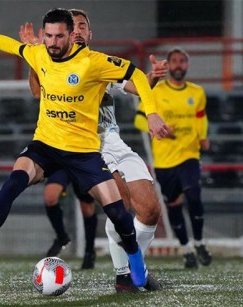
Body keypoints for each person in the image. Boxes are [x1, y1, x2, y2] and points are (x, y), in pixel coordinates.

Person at [0, 8, 170, 289]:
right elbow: (10, 45)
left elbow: (136, 76)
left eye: (58, 36)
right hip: (46, 144)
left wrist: (152, 113)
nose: (52, 42)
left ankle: (134, 262)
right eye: (48, 36)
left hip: (84, 150)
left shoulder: (94, 63)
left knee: (118, 212)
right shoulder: (39, 54)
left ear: (72, 35)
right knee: (13, 183)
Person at [19, 9, 169, 292]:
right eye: (72, 27)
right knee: (121, 205)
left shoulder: (99, 65)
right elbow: (38, 93)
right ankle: (124, 275)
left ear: (89, 34)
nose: (76, 31)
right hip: (86, 145)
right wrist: (34, 55)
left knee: (149, 209)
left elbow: (140, 86)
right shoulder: (55, 64)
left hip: (115, 142)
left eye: (81, 26)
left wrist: (154, 77)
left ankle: (138, 269)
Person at [134, 47, 212, 269]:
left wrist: (203, 136)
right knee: (174, 204)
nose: (178, 65)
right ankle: (186, 249)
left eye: (182, 61)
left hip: (189, 154)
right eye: (174, 61)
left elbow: (201, 117)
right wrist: (159, 129)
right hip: (164, 160)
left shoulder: (197, 92)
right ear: (167, 66)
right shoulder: (156, 91)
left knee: (194, 193)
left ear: (187, 65)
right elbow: (140, 120)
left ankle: (199, 242)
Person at [43, 168, 98, 270]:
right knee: (50, 197)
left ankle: (89, 252)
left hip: (81, 161)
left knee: (87, 209)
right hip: (61, 160)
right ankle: (62, 237)